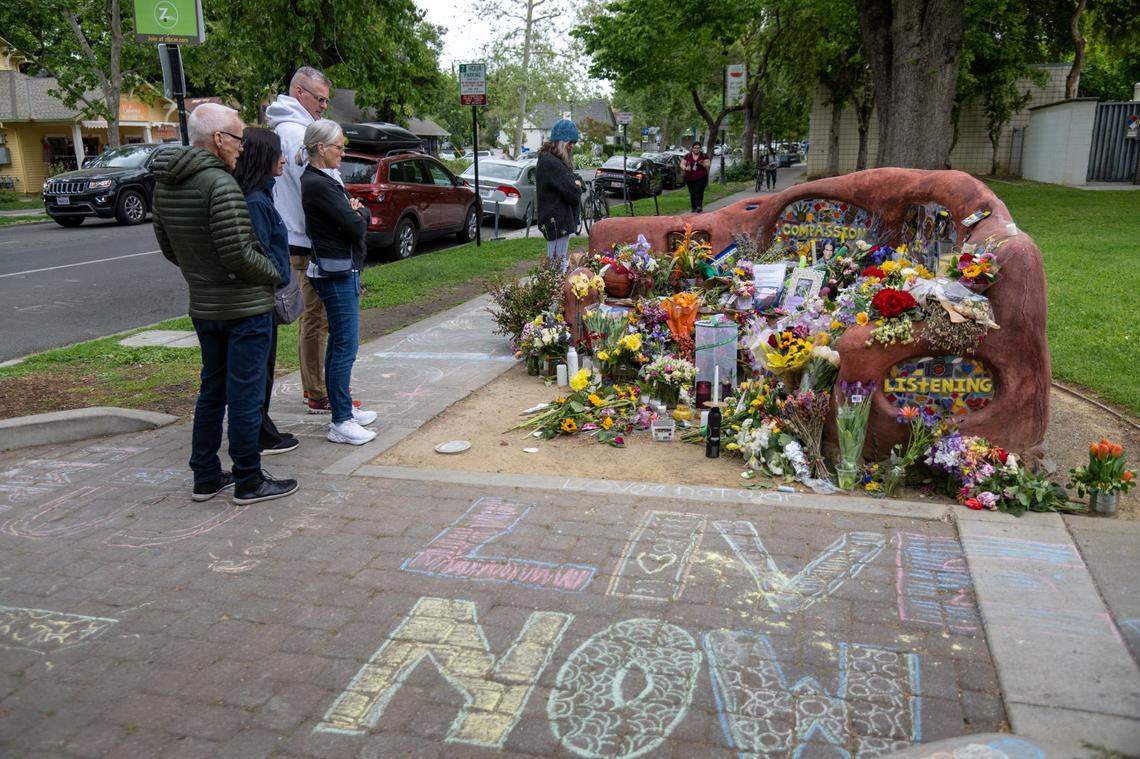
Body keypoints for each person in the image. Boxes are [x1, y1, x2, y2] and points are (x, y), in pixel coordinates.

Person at [151, 103, 299, 505]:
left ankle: (205, 476)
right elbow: (238, 253)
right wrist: (275, 273)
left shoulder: (166, 184)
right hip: (244, 309)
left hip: (204, 306)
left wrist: (203, 274)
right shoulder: (219, 184)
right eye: (237, 138)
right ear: (218, 140)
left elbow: (169, 247)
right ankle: (249, 479)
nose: (241, 147)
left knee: (211, 391)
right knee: (246, 395)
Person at [299, 119, 378, 446]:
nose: (343, 153)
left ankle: (343, 408)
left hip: (341, 268)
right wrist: (358, 213)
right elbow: (356, 225)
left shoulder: (326, 178)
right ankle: (341, 421)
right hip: (335, 272)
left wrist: (357, 212)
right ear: (321, 148)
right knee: (345, 345)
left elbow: (357, 216)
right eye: (338, 147)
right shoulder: (317, 183)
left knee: (340, 345)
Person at [266, 66, 339, 415]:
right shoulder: (296, 133)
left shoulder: (290, 129)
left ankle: (319, 385)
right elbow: (313, 188)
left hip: (301, 236)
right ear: (299, 93)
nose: (324, 105)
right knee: (315, 317)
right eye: (320, 98)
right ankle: (316, 390)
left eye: (326, 99)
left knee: (317, 317)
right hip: (304, 240)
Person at [233, 127, 299, 456]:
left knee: (264, 369)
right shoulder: (256, 201)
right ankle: (257, 433)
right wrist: (279, 273)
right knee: (259, 371)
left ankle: (262, 426)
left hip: (262, 296)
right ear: (263, 158)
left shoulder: (262, 193)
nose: (284, 159)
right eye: (278, 153)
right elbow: (258, 251)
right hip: (259, 299)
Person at [535, 119, 582, 273]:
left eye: (574, 143)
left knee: (557, 264)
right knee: (556, 267)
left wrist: (577, 183)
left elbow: (574, 179)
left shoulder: (554, 160)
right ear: (561, 142)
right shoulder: (551, 163)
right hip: (556, 221)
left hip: (558, 221)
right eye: (570, 143)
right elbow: (573, 193)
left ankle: (553, 293)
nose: (572, 147)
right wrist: (576, 185)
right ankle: (553, 296)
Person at [682, 142, 711, 213]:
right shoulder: (688, 156)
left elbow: (708, 165)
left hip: (701, 177)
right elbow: (681, 164)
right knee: (692, 192)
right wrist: (685, 168)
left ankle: (699, 206)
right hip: (690, 178)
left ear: (700, 149)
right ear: (692, 148)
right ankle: (693, 207)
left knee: (698, 191)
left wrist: (703, 164)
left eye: (698, 148)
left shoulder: (704, 156)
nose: (696, 149)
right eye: (695, 148)